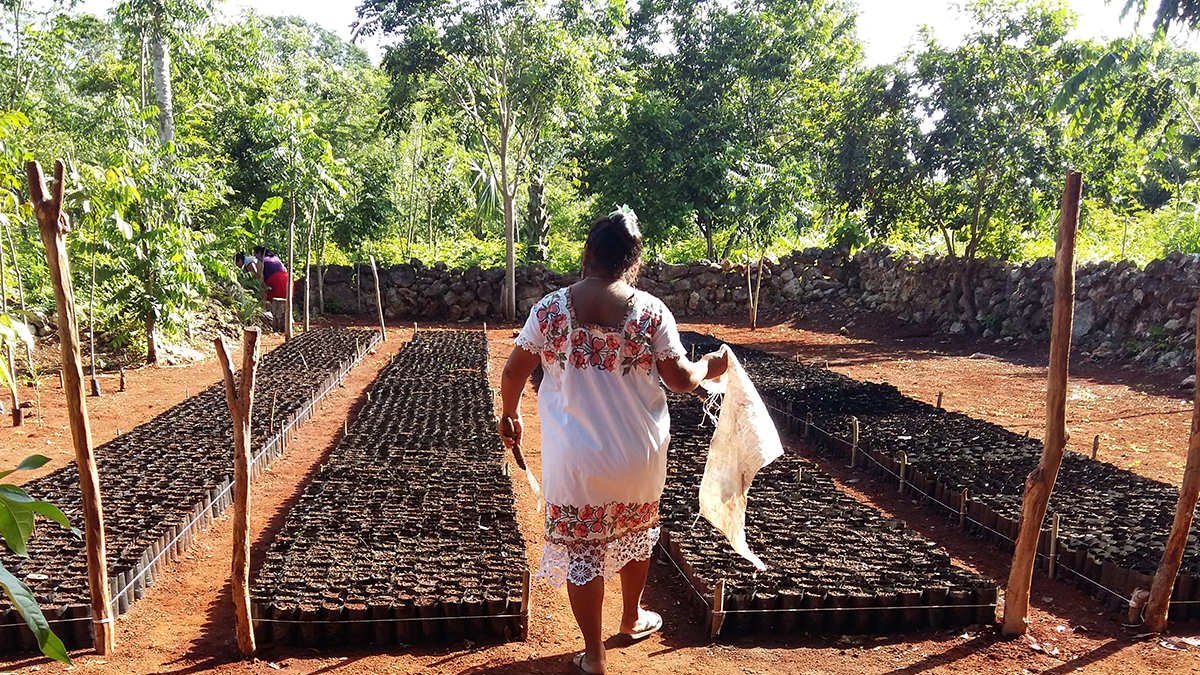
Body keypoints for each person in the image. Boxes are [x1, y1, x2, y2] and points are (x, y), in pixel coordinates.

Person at [499, 206, 728, 675]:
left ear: (587, 255)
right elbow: (681, 378)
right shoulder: (650, 311)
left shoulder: (549, 309)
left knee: (582, 547)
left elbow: (513, 370)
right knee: (635, 532)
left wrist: (511, 413)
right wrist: (712, 367)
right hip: (637, 454)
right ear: (633, 260)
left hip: (576, 459)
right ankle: (630, 616)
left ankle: (595, 655)